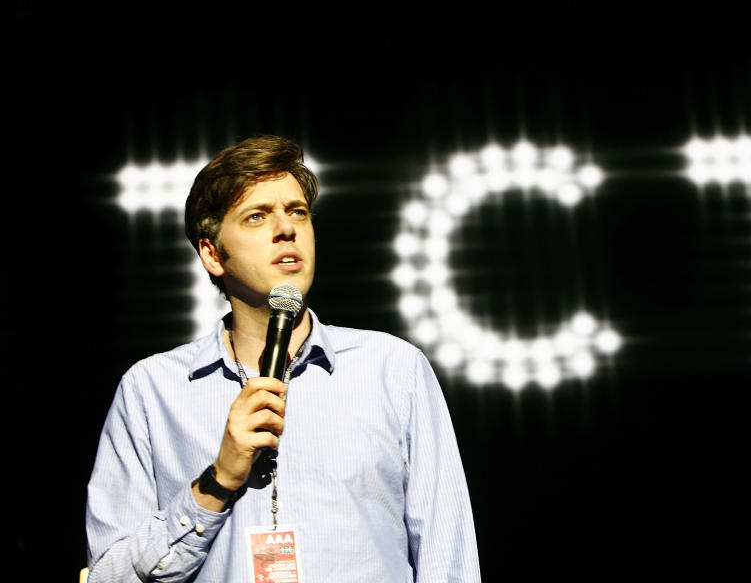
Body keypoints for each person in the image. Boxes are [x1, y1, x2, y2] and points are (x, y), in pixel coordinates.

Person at [85, 135, 481, 582]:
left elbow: (448, 559)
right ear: (212, 254)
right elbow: (108, 575)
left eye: (297, 212)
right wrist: (216, 483)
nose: (286, 228)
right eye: (257, 216)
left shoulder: (393, 369)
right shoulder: (152, 390)